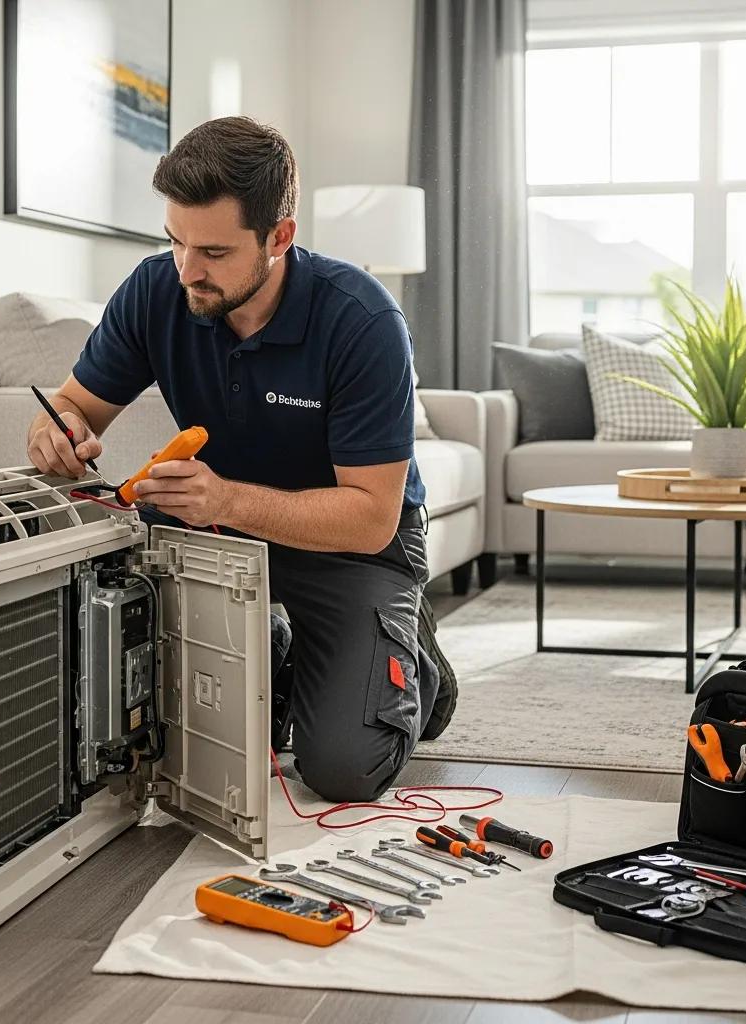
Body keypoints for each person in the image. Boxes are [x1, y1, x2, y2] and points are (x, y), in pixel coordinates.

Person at [25, 116, 457, 802]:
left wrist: (225, 499)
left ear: (279, 237)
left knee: (345, 768)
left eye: (215, 252)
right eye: (175, 241)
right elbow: (74, 406)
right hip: (218, 536)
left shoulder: (363, 322)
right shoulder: (155, 290)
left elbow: (373, 517)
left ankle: (413, 655)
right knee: (167, 730)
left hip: (353, 547)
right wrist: (59, 432)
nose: (188, 270)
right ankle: (285, 651)